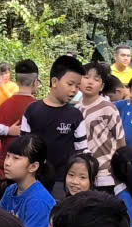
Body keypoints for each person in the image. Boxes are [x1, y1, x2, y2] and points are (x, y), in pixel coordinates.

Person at [20, 55, 86, 197]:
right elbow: (22, 148)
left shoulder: (76, 115)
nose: (75, 90)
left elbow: (82, 151)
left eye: (77, 86)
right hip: (33, 180)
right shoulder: (32, 111)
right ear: (54, 81)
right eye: (70, 84)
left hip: (63, 183)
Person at [0, 134, 57, 227]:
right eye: (8, 156)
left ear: (33, 166)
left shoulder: (39, 200)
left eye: (16, 158)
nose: (7, 163)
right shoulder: (11, 190)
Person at [78, 61, 126, 191]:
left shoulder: (108, 108)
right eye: (86, 77)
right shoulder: (76, 107)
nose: (90, 82)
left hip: (105, 175)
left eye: (96, 79)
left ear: (102, 86)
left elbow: (121, 141)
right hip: (82, 173)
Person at [0, 60, 40, 180]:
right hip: (30, 169)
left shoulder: (4, 105)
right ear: (35, 82)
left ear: (16, 81)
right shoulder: (38, 107)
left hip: (7, 166)